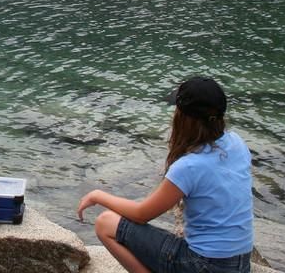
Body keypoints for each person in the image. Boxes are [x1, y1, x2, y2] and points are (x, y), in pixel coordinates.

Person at [77, 77, 253, 273]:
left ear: (184, 118)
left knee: (105, 223)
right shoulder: (237, 143)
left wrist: (97, 195)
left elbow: (142, 214)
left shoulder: (190, 166)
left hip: (203, 266)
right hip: (240, 264)